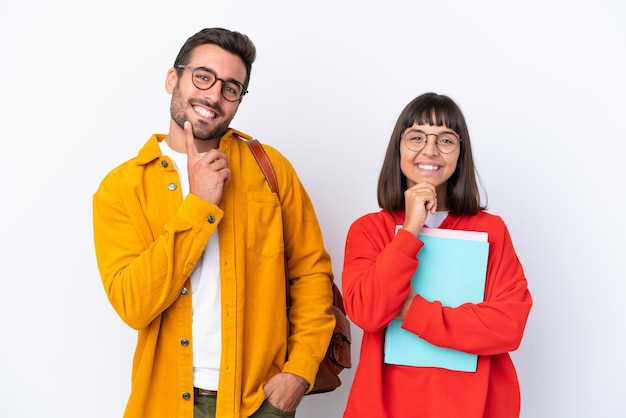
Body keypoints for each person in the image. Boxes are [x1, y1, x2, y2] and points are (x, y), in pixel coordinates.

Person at [92, 27, 336, 418]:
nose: (213, 95)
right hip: (164, 403)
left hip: (259, 402)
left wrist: (299, 371)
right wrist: (200, 204)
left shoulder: (269, 168)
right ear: (174, 78)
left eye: (231, 87)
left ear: (238, 100)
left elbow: (310, 274)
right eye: (203, 76)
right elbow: (133, 306)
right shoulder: (122, 188)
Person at [341, 92, 532, 418]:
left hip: (477, 405)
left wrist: (413, 310)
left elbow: (507, 326)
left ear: (460, 153)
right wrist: (411, 229)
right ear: (398, 148)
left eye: (445, 139)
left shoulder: (491, 230)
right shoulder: (369, 229)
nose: (430, 150)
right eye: (416, 137)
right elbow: (368, 313)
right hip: (385, 406)